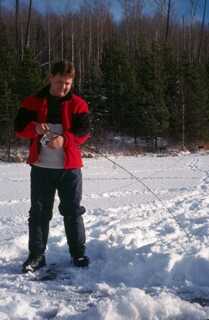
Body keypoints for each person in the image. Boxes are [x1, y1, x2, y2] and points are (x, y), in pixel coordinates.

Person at [14, 61, 91, 272]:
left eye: (67, 83)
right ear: (50, 78)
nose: (63, 87)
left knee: (72, 211)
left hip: (70, 169)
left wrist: (64, 140)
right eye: (59, 82)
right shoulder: (32, 102)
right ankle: (36, 256)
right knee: (39, 213)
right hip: (41, 168)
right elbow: (19, 128)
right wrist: (35, 128)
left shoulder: (78, 104)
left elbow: (84, 132)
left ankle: (78, 254)